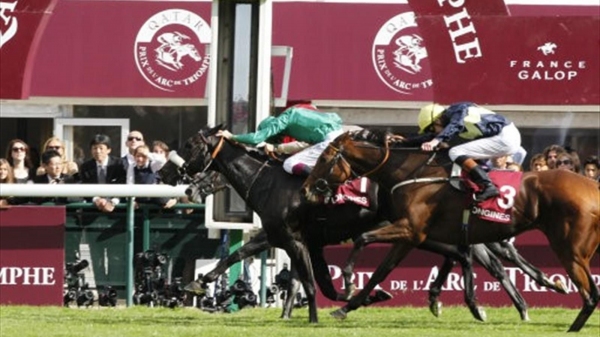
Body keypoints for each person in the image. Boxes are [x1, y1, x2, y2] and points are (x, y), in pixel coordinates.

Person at [416, 102, 521, 202]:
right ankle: (479, 184)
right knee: (461, 154)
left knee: (455, 152)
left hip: (505, 137)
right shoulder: (450, 121)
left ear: (437, 120)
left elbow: (455, 124)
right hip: (504, 138)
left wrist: (435, 141)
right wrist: (406, 141)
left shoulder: (457, 109)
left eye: (431, 129)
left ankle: (487, 185)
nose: (434, 133)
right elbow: (434, 136)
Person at [217, 105, 344, 176]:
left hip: (330, 140)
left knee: (289, 163)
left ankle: (319, 182)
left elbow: (256, 138)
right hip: (339, 135)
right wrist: (276, 148)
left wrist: (232, 136)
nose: (279, 139)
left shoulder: (283, 120)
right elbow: (303, 146)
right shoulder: (295, 118)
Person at [79, 134, 126, 212]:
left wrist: (113, 202)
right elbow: (84, 187)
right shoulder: (86, 167)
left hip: (116, 208)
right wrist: (97, 199)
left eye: (101, 148)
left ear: (108, 150)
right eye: (95, 148)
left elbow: (123, 185)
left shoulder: (119, 164)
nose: (98, 151)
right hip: (93, 208)